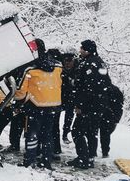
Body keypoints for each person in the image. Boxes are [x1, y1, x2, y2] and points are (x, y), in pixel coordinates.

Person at [14, 39, 62, 169]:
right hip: (53, 105)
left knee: (32, 134)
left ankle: (29, 160)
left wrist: (17, 103)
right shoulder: (58, 66)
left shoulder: (29, 69)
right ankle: (46, 161)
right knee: (47, 134)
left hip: (35, 106)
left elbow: (21, 92)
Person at [68, 39, 111, 169]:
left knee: (77, 131)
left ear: (87, 50)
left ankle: (83, 158)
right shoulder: (100, 62)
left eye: (81, 48)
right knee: (92, 132)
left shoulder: (89, 64)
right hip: (100, 103)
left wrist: (80, 105)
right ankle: (90, 157)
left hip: (90, 105)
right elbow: (105, 83)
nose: (80, 50)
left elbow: (88, 88)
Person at [60, 52, 78, 143]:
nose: (67, 63)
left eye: (69, 61)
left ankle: (65, 134)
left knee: (69, 117)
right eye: (65, 61)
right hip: (61, 96)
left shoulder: (77, 70)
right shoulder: (59, 70)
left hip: (71, 97)